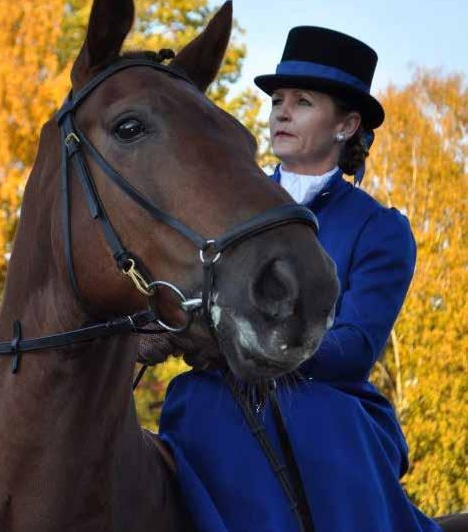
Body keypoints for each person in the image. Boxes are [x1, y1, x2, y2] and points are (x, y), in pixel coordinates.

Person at [158, 26, 441, 531]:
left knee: (316, 421)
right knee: (192, 400)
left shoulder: (379, 229)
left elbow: (354, 347)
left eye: (303, 102)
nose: (281, 112)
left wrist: (245, 350)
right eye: (277, 101)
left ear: (347, 125)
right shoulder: (223, 209)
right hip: (217, 395)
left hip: (324, 405)